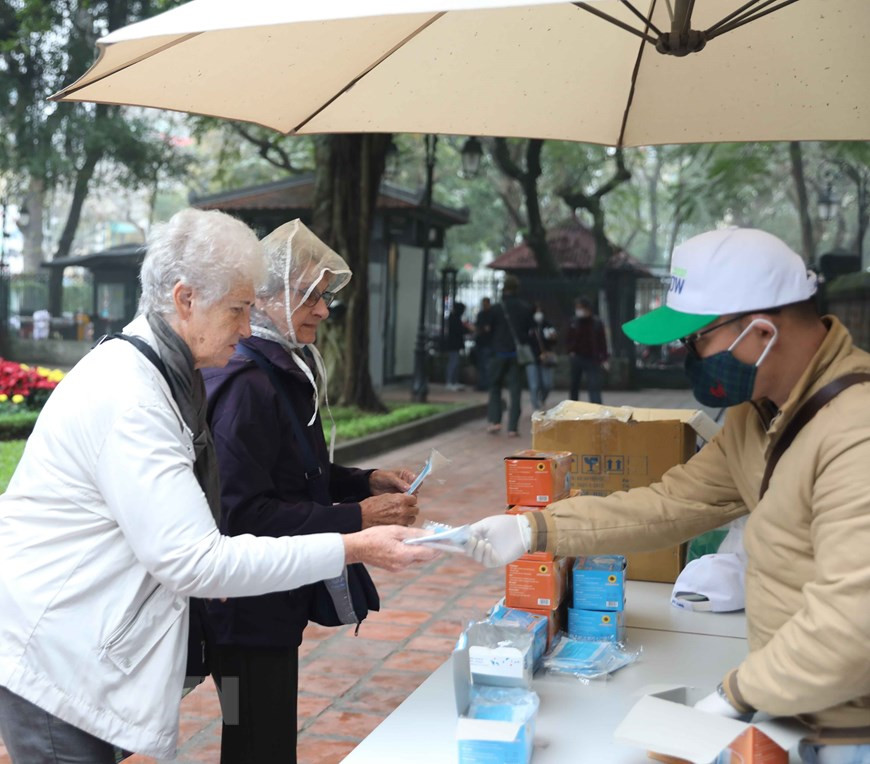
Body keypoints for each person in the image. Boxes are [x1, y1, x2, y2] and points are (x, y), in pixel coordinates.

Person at [0, 209, 436, 763]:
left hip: (87, 642)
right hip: (59, 655)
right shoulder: (136, 398)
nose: (248, 328)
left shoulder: (164, 376)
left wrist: (358, 494)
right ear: (185, 300)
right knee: (250, 731)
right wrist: (355, 541)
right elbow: (201, 556)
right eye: (238, 309)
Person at [465, 228, 870, 764]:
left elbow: (854, 621)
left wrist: (735, 697)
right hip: (793, 705)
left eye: (695, 339)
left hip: (851, 730)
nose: (688, 355)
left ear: (760, 332)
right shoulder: (759, 415)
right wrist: (535, 528)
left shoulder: (856, 431)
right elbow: (673, 503)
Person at [203, 220, 420, 764]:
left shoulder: (279, 370)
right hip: (243, 615)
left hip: (271, 603)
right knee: (254, 738)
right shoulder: (247, 385)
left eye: (326, 297)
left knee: (259, 735)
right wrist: (357, 518)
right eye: (310, 295)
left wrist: (365, 481)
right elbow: (243, 513)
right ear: (263, 297)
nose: (323, 310)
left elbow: (295, 470)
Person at [483, 275, 534, 437]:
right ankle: (513, 427)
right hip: (517, 354)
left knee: (495, 386)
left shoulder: (497, 308)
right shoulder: (525, 308)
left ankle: (495, 421)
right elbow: (529, 331)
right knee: (515, 390)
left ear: (504, 288)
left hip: (498, 352)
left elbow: (488, 330)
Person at [565, 296, 608, 404]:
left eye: (580, 308)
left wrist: (604, 358)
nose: (578, 311)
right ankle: (572, 407)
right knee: (574, 385)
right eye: (577, 308)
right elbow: (568, 338)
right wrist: (570, 351)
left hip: (592, 358)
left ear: (587, 309)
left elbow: (602, 342)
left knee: (594, 386)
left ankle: (597, 407)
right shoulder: (574, 322)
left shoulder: (596, 323)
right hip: (577, 357)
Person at [527, 303, 558, 410]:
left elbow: (554, 341)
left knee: (547, 384)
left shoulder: (547, 325)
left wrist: (553, 338)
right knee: (534, 385)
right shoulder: (528, 326)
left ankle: (542, 399)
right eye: (536, 311)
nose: (538, 314)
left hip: (545, 358)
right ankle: (536, 407)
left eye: (540, 311)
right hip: (532, 358)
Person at [445, 300, 471, 391]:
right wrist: (468, 329)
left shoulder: (454, 318)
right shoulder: (454, 318)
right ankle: (450, 382)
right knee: (453, 363)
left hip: (455, 344)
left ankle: (454, 382)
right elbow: (459, 330)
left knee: (455, 363)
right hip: (454, 344)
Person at [474, 297, 494, 391]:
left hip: (488, 343)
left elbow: (489, 328)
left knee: (486, 365)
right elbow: (479, 327)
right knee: (481, 365)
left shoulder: (491, 314)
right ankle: (481, 384)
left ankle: (486, 384)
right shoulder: (481, 314)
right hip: (480, 342)